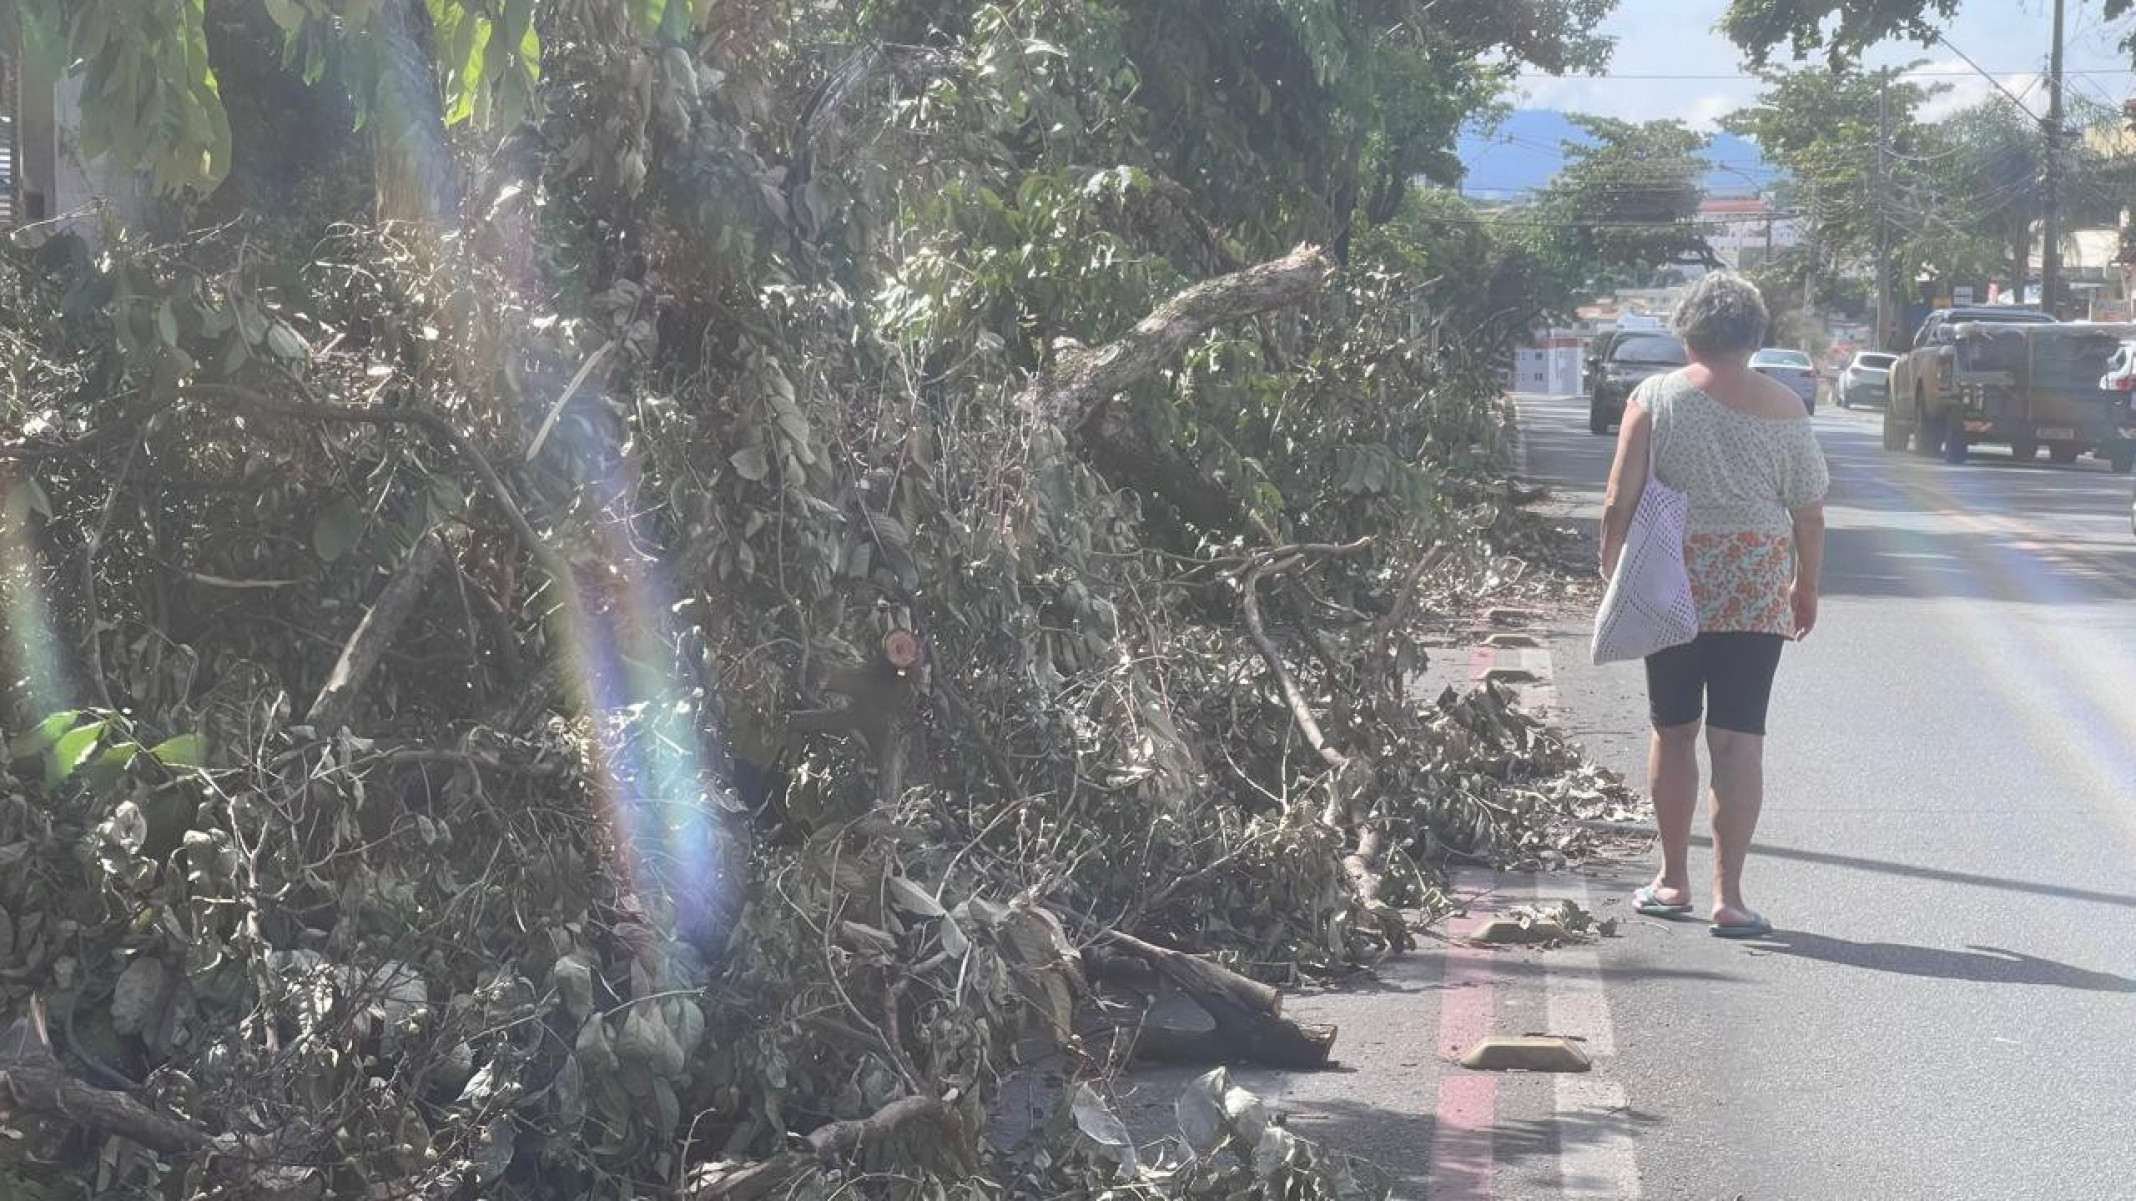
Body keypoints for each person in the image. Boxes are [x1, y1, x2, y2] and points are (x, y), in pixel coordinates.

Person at [1597, 273, 1828, 939]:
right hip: (1755, 585)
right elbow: (1808, 513)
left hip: (1673, 578)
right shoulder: (1787, 407)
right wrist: (1804, 584)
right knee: (1738, 737)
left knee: (1673, 730)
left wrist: (1611, 565)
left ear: (1688, 330)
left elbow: (1619, 497)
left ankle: (1672, 880)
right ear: (1754, 336)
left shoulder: (1654, 398)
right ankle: (1731, 897)